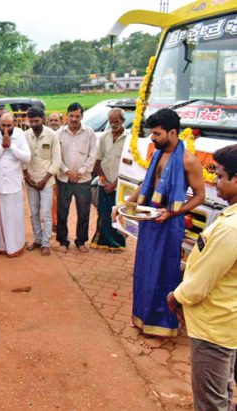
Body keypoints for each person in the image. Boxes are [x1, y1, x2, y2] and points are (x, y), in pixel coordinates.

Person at [167, 144, 237, 410]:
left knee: (210, 401)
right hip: (227, 320)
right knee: (223, 390)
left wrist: (176, 296)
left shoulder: (231, 228)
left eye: (220, 176)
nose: (215, 182)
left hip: (214, 327)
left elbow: (199, 286)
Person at [125, 108, 205, 343]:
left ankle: (162, 325)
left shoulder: (188, 160)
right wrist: (126, 204)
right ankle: (142, 317)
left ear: (172, 132)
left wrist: (171, 213)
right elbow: (145, 185)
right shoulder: (157, 155)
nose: (153, 138)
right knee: (144, 269)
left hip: (169, 225)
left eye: (157, 134)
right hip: (150, 220)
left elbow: (199, 196)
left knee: (164, 273)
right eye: (152, 133)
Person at [0, 113, 30, 257]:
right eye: (3, 125)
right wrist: (2, 147)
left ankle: (14, 246)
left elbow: (27, 157)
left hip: (13, 183)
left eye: (9, 125)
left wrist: (11, 146)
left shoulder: (20, 135)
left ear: (14, 124)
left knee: (12, 217)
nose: (5, 128)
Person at [56, 102, 97, 253]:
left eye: (77, 116)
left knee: (84, 212)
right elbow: (56, 156)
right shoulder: (59, 133)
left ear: (82, 116)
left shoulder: (90, 133)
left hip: (83, 180)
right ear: (67, 116)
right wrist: (67, 171)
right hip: (64, 179)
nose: (74, 119)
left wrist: (80, 172)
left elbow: (93, 155)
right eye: (71, 116)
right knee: (62, 211)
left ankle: (81, 241)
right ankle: (63, 241)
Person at [23, 106, 61, 256]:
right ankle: (37, 240)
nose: (33, 124)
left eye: (36, 121)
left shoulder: (52, 135)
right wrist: (27, 177)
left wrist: (45, 179)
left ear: (43, 120)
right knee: (34, 213)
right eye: (31, 121)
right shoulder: (25, 135)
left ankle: (46, 243)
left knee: (46, 213)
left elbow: (57, 161)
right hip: (30, 180)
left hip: (47, 181)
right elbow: (23, 159)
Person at [91, 108, 128, 251]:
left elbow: (127, 165)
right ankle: (102, 242)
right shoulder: (104, 137)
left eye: (116, 121)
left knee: (118, 214)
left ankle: (117, 244)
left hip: (120, 184)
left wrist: (114, 184)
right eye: (111, 121)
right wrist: (104, 180)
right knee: (103, 213)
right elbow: (97, 162)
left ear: (122, 121)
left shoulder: (129, 138)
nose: (113, 124)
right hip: (104, 182)